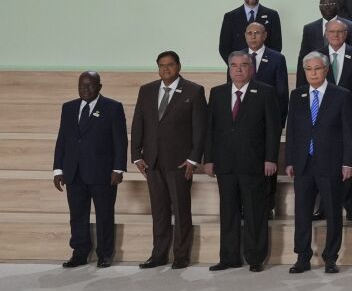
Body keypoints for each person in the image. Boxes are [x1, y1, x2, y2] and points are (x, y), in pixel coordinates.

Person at [202, 53, 280, 272]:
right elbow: (210, 129)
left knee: (255, 212)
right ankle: (229, 257)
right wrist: (208, 159)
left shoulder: (265, 92)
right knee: (228, 212)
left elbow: (273, 129)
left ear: (251, 68)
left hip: (254, 163)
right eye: (234, 66)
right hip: (225, 164)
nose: (238, 70)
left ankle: (255, 257)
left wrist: (270, 158)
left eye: (244, 65)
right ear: (229, 69)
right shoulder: (217, 93)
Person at [129, 51, 206, 269]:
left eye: (170, 65)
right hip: (152, 162)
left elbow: (200, 129)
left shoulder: (194, 91)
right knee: (159, 210)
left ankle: (181, 255)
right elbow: (138, 124)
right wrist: (136, 155)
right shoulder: (147, 90)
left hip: (180, 163)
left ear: (179, 66)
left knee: (181, 210)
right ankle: (158, 254)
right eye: (161, 65)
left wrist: (193, 159)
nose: (165, 69)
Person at [284, 52, 352, 274]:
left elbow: (348, 132)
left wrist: (348, 162)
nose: (313, 73)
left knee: (333, 212)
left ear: (325, 70)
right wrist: (289, 160)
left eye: (317, 68)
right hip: (303, 163)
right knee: (302, 212)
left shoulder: (341, 95)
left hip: (331, 163)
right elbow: (293, 131)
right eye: (308, 69)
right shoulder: (297, 95)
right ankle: (302, 256)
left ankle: (330, 257)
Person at [51, 71, 127, 269]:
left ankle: (105, 254)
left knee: (104, 214)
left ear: (99, 87)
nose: (85, 89)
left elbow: (120, 141)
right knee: (77, 215)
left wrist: (118, 168)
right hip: (73, 172)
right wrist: (58, 169)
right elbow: (63, 140)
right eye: (81, 85)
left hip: (102, 173)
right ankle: (80, 253)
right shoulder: (68, 108)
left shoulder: (112, 107)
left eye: (90, 85)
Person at [320, 18, 352, 221]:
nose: (335, 36)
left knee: (350, 160)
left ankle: (351, 205)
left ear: (346, 34)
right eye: (332, 32)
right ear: (326, 34)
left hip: (350, 117)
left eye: (339, 32)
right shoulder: (316, 56)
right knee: (322, 161)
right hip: (321, 119)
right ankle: (322, 206)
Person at [218, 0, 283, 62]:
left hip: (266, 70)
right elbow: (224, 48)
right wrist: (236, 66)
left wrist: (266, 66)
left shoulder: (272, 15)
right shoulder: (230, 17)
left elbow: (276, 46)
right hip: (238, 71)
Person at [242, 20, 289, 112]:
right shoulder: (237, 57)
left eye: (257, 33)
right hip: (242, 113)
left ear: (265, 36)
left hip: (268, 112)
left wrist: (280, 121)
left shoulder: (277, 58)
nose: (253, 36)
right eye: (249, 33)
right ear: (245, 36)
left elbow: (282, 92)